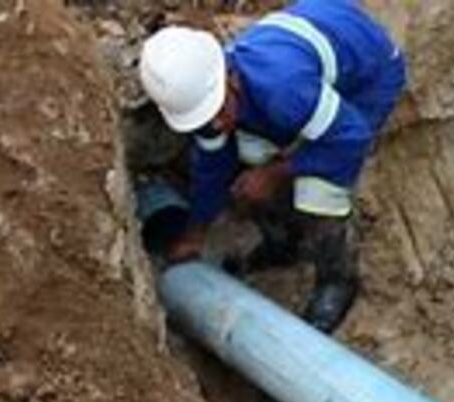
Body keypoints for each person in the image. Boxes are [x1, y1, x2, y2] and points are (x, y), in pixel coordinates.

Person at [139, 0, 405, 332]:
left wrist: (276, 172)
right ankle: (286, 244)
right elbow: (212, 167)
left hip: (369, 73)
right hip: (314, 57)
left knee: (318, 191)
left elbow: (351, 137)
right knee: (249, 160)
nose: (219, 125)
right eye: (207, 118)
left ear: (230, 78)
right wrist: (196, 233)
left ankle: (337, 279)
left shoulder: (283, 89)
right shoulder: (207, 100)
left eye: (220, 111)